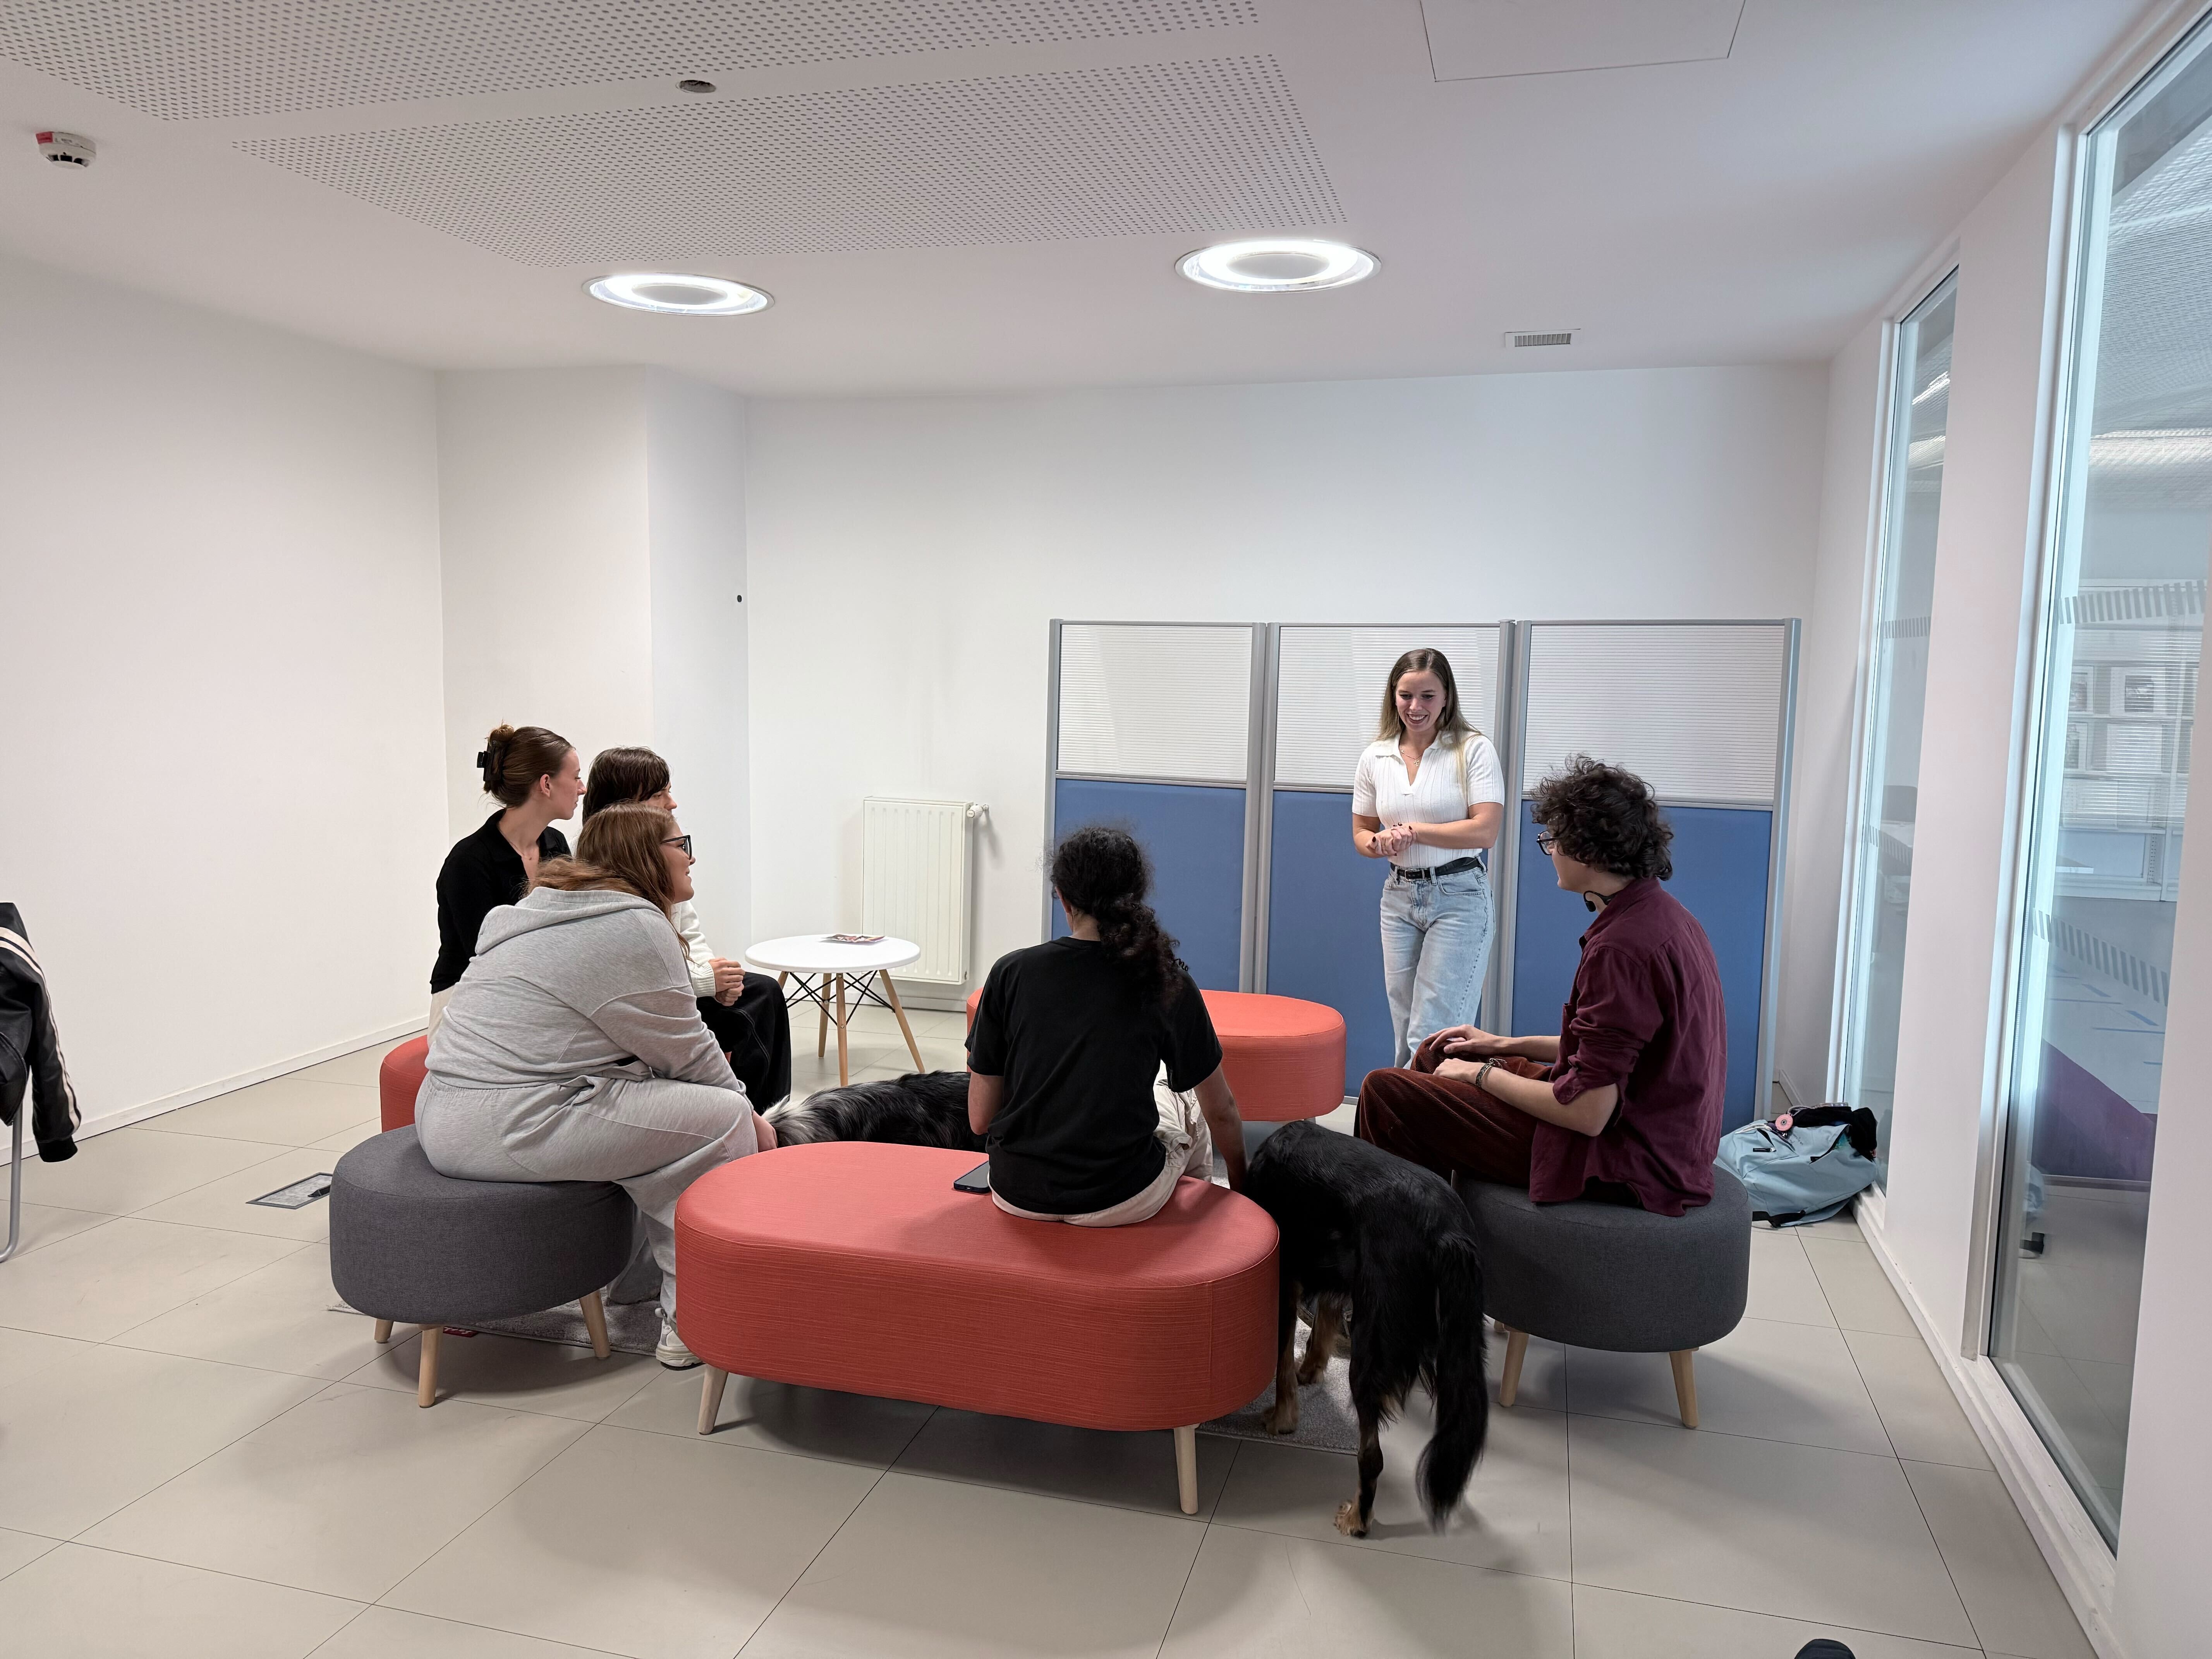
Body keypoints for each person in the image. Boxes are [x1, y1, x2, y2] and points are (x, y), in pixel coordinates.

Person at [414, 801, 774, 1369]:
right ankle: (692, 1321)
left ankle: (637, 1280)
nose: (691, 857)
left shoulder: (541, 912)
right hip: (509, 1123)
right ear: (645, 856)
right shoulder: (633, 926)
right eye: (681, 844)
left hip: (446, 1110)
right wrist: (750, 1116)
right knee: (722, 1121)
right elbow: (688, 1051)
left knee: (669, 1106)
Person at [1355, 756, 1726, 1216]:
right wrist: (1499, 1044)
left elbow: (1589, 1113)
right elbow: (1613, 1052)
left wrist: (1480, 1075)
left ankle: (1397, 1244)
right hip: (1650, 1128)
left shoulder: (1622, 950)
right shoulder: (1664, 915)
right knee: (1440, 1051)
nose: (1550, 851)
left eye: (1554, 840)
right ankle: (1428, 1222)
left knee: (1386, 1093)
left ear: (1588, 851)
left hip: (1627, 1156)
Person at [967, 826, 1247, 1224]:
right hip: (1121, 1197)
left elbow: (979, 1120)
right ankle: (1194, 1226)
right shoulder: (1165, 979)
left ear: (1062, 896)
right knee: (1188, 1102)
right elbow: (1222, 1110)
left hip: (1016, 1193)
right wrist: (1244, 1186)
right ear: (1134, 897)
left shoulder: (1010, 972)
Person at [583, 747, 793, 1108]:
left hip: (673, 985)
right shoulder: (604, 879)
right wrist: (707, 981)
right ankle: (748, 1117)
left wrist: (717, 982)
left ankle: (765, 1116)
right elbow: (639, 974)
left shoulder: (657, 864)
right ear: (625, 806)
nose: (672, 803)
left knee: (760, 992)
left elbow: (689, 936)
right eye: (659, 794)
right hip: (638, 1006)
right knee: (755, 1002)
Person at [1352, 649, 1506, 1067]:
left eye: (1428, 696)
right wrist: (1379, 843)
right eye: (1406, 695)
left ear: (1446, 698)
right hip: (1399, 896)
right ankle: (1407, 1108)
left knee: (1432, 1035)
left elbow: (1485, 830)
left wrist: (1416, 832)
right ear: (1393, 696)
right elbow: (1362, 834)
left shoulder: (1473, 750)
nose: (1415, 707)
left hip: (1459, 896)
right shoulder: (1376, 756)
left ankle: (1410, 1111)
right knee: (1406, 1034)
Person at [428, 724, 583, 1034]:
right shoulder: (468, 862)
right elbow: (488, 959)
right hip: (465, 1001)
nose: (583, 788)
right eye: (577, 777)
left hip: (535, 991)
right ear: (546, 784)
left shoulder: (555, 843)